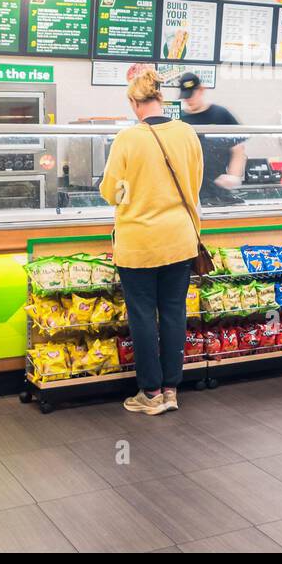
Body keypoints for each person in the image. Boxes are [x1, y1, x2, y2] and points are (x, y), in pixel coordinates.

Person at [99, 69, 204, 415]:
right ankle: (172, 390)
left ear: (133, 101)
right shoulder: (187, 132)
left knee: (143, 315)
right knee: (174, 311)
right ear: (161, 97)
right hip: (180, 238)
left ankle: (150, 393)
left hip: (140, 241)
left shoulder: (128, 139)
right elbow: (195, 181)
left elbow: (111, 191)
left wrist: (132, 191)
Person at [178, 72, 246, 206]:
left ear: (201, 90)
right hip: (190, 190)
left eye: (191, 95)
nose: (188, 100)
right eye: (185, 97)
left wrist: (234, 176)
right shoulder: (180, 119)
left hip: (218, 190)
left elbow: (238, 150)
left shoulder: (220, 114)